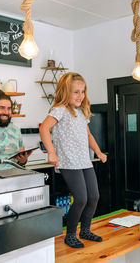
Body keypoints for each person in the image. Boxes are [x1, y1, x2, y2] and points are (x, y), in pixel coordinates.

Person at [39, 72, 107, 248]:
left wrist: (99, 152)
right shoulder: (59, 110)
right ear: (65, 92)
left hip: (85, 161)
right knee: (81, 198)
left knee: (94, 196)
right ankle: (70, 235)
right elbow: (44, 129)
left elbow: (89, 135)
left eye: (82, 91)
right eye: (76, 92)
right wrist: (51, 153)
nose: (80, 96)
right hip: (68, 162)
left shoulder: (81, 112)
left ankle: (85, 230)